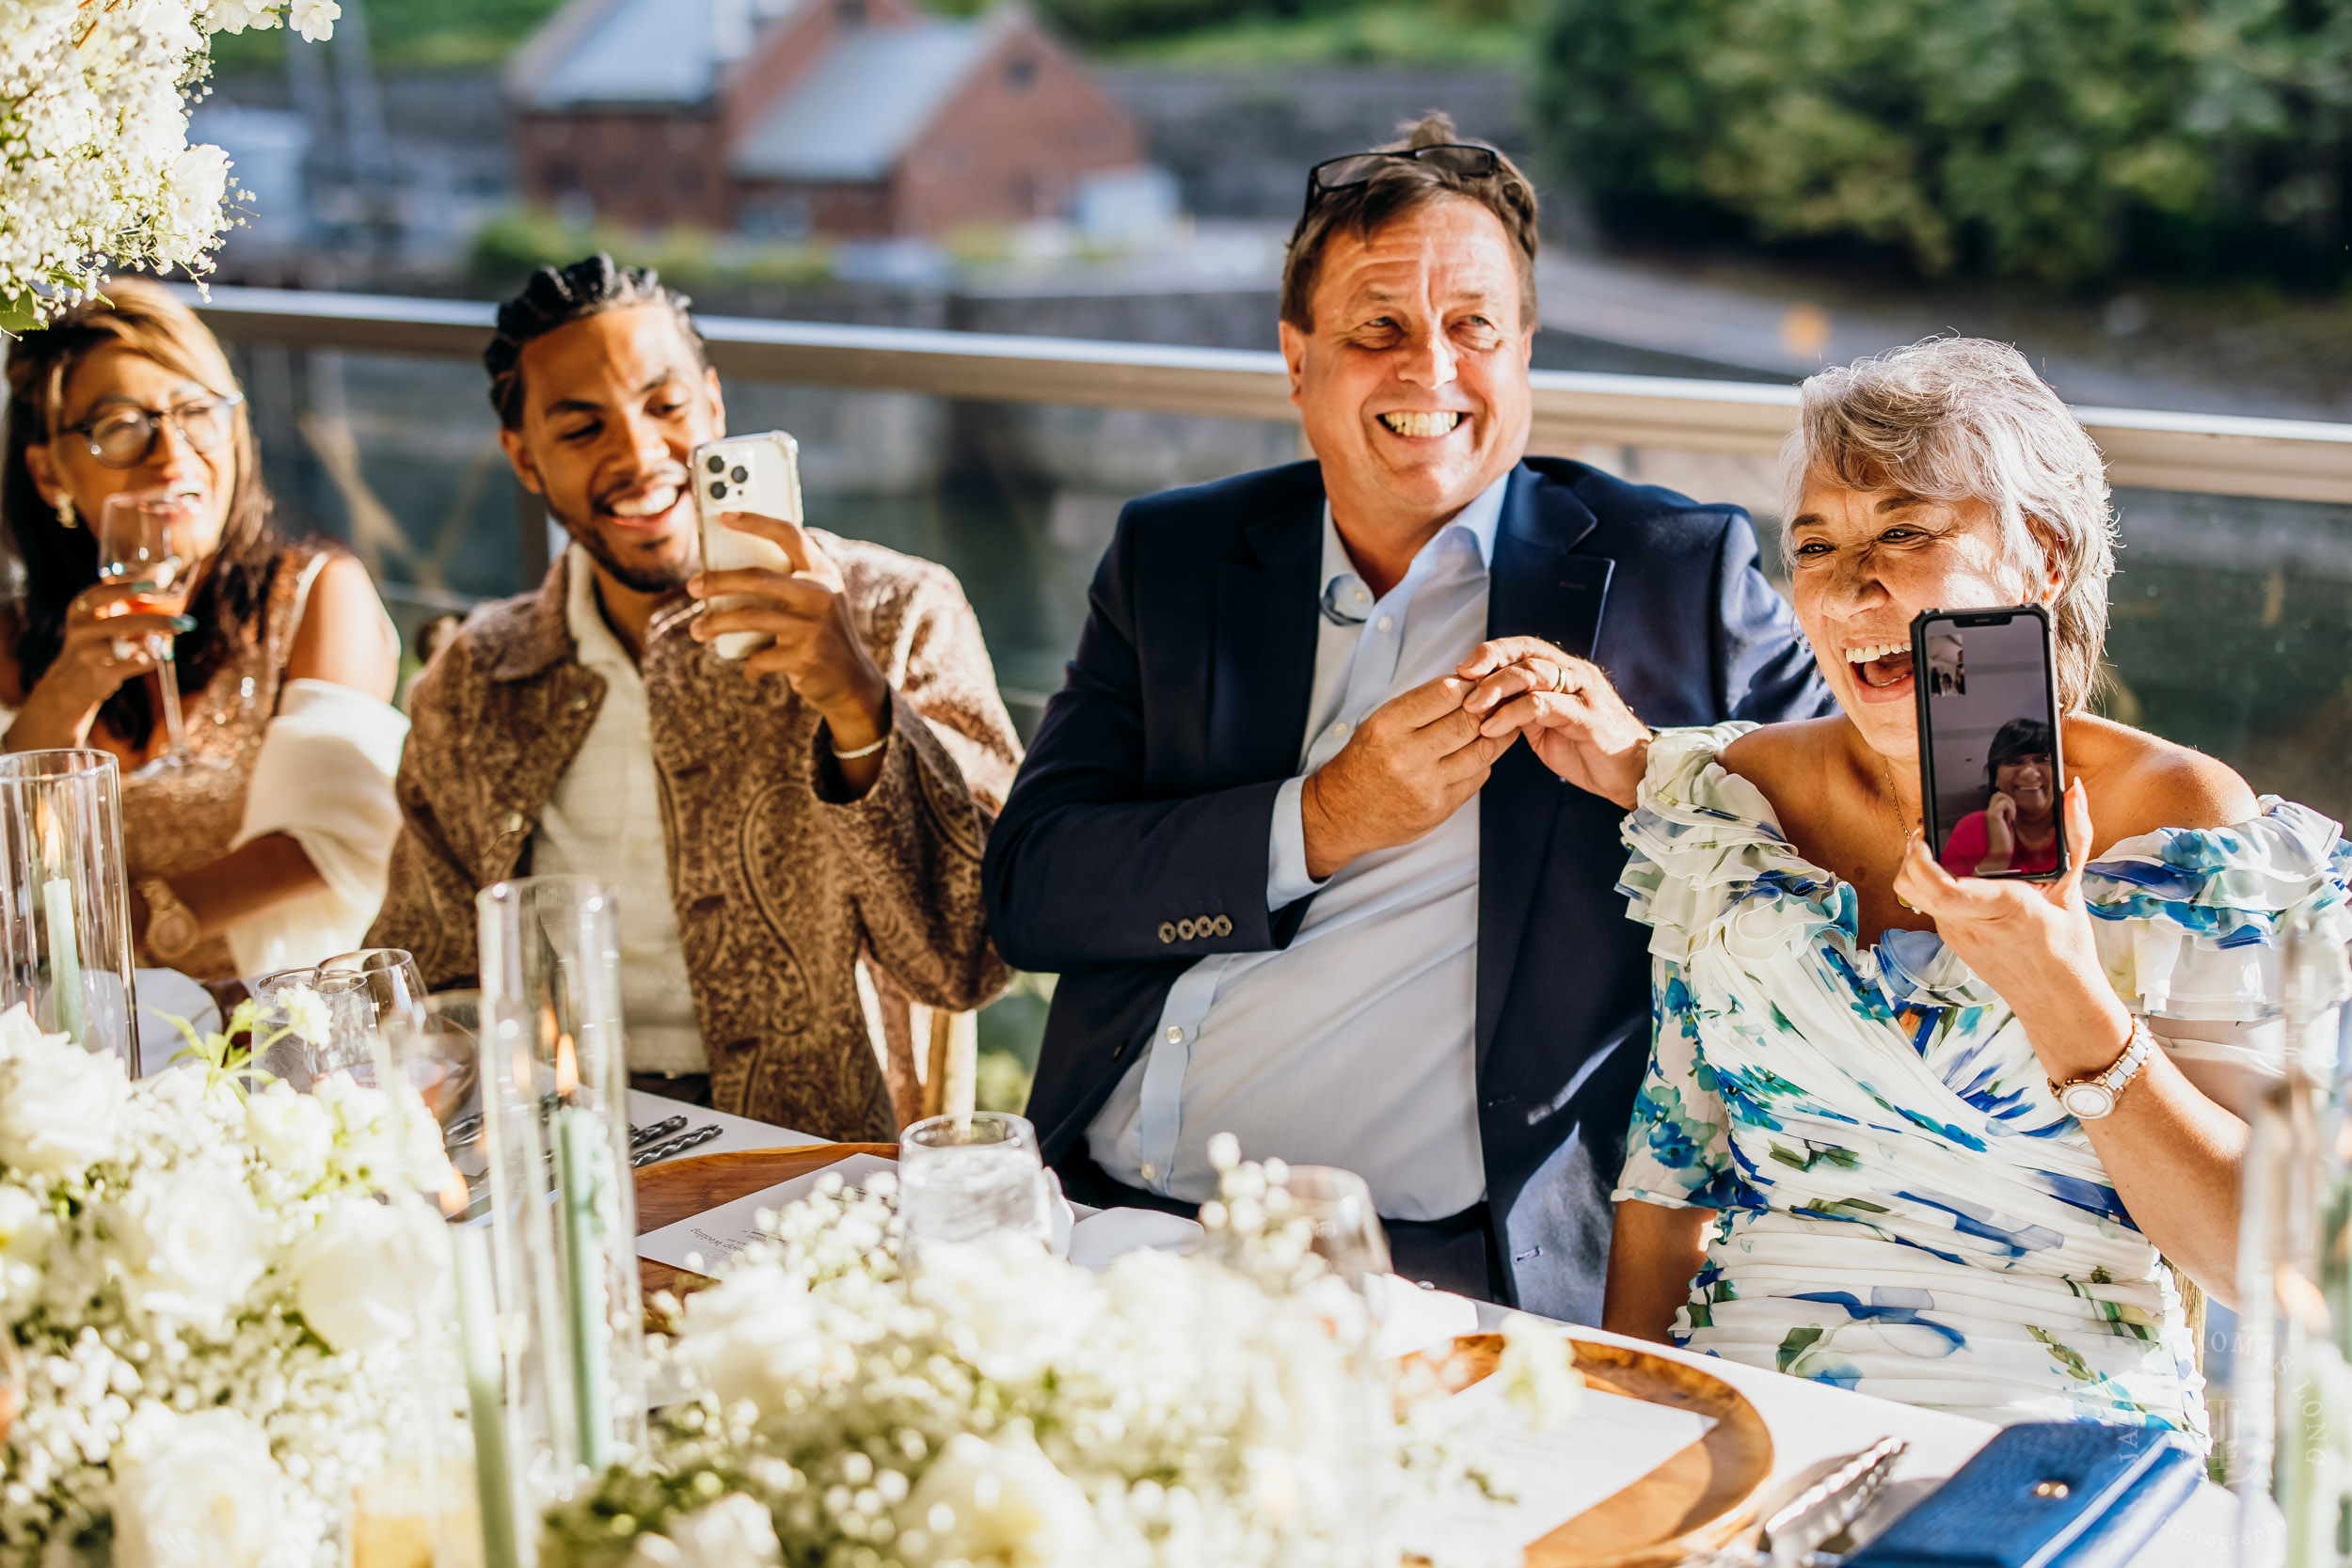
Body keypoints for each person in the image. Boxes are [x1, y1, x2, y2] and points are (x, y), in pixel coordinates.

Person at [983, 115, 1831, 1317]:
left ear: (1523, 348)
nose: (1429, 368)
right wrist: (1318, 820)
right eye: (1377, 328)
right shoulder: (1173, 554)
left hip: (1422, 1273)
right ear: (1297, 360)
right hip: (1085, 1208)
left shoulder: (1671, 576)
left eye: (1472, 326)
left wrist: (1652, 769)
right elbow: (1027, 891)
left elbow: (1858, 842)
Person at [1602, 336, 2351, 1435]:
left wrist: (2062, 990)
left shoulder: (2190, 827)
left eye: (1905, 531)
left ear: (2040, 558)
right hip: (1745, 1404)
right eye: (1815, 545)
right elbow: (1665, 1191)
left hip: (2052, 1428)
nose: (1853, 584)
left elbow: (2273, 1265)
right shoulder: (1734, 803)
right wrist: (1620, 1430)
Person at [367, 256, 1021, 1142]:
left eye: (665, 407)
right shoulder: (477, 680)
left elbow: (970, 958)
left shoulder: (896, 612)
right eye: (581, 428)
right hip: (553, 1140)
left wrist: (860, 707)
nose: (638, 454)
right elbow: (426, 985)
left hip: (811, 1158)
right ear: (523, 458)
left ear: (714, 404)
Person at [2, 279, 406, 979]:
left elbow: (339, 836)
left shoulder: (314, 593)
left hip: (279, 1023)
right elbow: (14, 865)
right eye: (122, 426)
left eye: (196, 411)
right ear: (49, 471)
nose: (173, 454)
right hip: (78, 1033)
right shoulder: (13, 638)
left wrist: (130, 927)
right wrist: (69, 691)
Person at [1937, 718, 2059, 877]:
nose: (2030, 772)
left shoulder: (2073, 821)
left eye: (2043, 760)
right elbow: (1947, 898)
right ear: (1995, 777)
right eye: (2014, 762)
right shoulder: (1971, 828)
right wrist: (1998, 857)